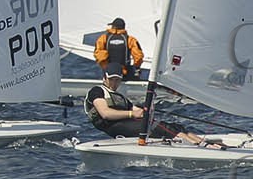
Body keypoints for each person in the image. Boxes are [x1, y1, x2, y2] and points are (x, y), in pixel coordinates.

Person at [85, 74, 221, 146]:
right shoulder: (97, 91)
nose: (114, 83)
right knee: (159, 127)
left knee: (175, 126)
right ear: (104, 78)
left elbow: (135, 108)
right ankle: (199, 146)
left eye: (117, 79)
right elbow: (105, 113)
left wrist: (145, 110)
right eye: (111, 79)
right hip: (113, 127)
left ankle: (202, 142)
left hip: (126, 123)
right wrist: (132, 113)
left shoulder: (119, 96)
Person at [93, 17, 143, 82]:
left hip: (110, 73)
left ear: (114, 27)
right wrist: (137, 67)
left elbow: (99, 55)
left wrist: (106, 68)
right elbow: (138, 56)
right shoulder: (130, 39)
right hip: (124, 72)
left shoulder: (103, 38)